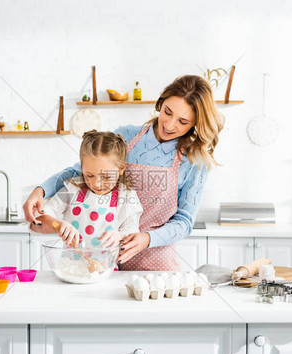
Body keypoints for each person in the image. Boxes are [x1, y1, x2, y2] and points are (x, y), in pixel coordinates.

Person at [25, 75, 224, 270]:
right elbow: (82, 169)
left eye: (183, 121)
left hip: (156, 260)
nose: (170, 125)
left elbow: (184, 222)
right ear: (160, 103)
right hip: (105, 256)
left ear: (196, 123)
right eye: (167, 112)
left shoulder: (195, 160)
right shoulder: (127, 136)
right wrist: (41, 190)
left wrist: (146, 239)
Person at [33, 131, 143, 249]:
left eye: (106, 177)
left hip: (106, 266)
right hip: (70, 265)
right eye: (89, 175)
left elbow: (132, 232)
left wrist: (119, 236)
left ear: (121, 169)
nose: (96, 183)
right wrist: (58, 225)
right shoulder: (72, 190)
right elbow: (37, 221)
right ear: (82, 168)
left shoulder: (126, 196)